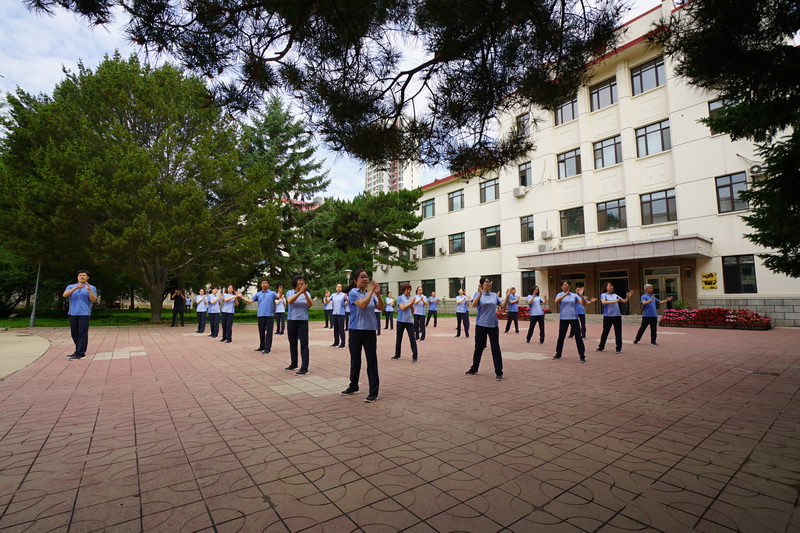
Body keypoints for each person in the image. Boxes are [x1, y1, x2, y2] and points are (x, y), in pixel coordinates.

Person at [341, 269, 384, 402]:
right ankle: (353, 386)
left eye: (367, 277)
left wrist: (378, 294)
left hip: (370, 331)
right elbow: (363, 305)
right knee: (355, 359)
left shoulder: (371, 294)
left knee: (372, 361)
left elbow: (381, 307)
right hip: (356, 330)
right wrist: (371, 291)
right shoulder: (353, 293)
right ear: (355, 281)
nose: (365, 279)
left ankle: (374, 391)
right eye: (362, 277)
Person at [465, 277, 509, 380]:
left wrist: (507, 296)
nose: (489, 283)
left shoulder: (494, 295)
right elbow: (474, 305)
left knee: (495, 348)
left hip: (493, 325)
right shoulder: (478, 294)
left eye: (490, 282)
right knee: (479, 348)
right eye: (486, 282)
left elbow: (502, 305)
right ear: (481, 284)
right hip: (481, 324)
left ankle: (499, 372)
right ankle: (474, 368)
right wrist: (480, 294)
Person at [63, 270, 97, 360]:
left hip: (84, 313)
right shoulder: (71, 286)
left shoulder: (92, 287)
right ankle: (78, 350)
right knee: (74, 333)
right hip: (72, 313)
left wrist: (89, 291)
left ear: (87, 277)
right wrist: (75, 288)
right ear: (77, 277)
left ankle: (80, 353)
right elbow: (65, 295)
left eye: (84, 275)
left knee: (82, 333)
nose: (82, 277)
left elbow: (93, 299)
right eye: (80, 275)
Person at [553, 281, 589, 362]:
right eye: (563, 285)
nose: (564, 286)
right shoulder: (559, 294)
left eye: (566, 284)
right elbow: (556, 301)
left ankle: (582, 356)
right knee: (561, 336)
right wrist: (564, 295)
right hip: (563, 318)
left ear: (569, 286)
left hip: (574, 318)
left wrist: (581, 295)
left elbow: (583, 304)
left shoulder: (574, 295)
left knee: (578, 337)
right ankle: (558, 353)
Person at [285, 274, 313, 375]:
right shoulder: (290, 292)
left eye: (303, 280)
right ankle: (294, 363)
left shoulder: (307, 293)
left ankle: (304, 367)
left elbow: (310, 304)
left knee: (304, 344)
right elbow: (290, 301)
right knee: (293, 343)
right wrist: (300, 292)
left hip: (303, 321)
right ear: (295, 282)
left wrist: (304, 293)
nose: (301, 282)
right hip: (292, 320)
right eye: (299, 280)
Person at [241, 279, 277, 354]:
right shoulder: (258, 294)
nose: (264, 284)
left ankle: (267, 348)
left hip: (269, 315)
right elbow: (250, 301)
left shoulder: (272, 293)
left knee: (269, 332)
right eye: (262, 283)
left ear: (268, 285)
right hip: (260, 315)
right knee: (261, 331)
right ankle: (262, 346)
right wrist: (241, 297)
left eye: (265, 283)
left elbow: (278, 297)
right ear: (261, 285)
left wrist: (280, 292)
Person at [596, 282, 634, 354]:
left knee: (618, 333)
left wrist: (628, 297)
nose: (611, 287)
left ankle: (618, 348)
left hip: (617, 316)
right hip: (608, 316)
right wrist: (614, 301)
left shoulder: (615, 295)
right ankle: (601, 347)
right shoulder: (603, 295)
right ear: (606, 287)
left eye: (612, 286)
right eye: (610, 286)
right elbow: (604, 302)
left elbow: (624, 301)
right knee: (605, 332)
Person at [392, 283, 418, 362]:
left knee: (412, 338)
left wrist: (412, 305)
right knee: (399, 338)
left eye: (410, 289)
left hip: (409, 321)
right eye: (407, 289)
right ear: (404, 290)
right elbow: (402, 307)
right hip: (401, 321)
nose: (409, 291)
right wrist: (410, 303)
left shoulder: (410, 299)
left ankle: (415, 356)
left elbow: (412, 311)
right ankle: (397, 354)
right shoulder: (400, 298)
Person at [330, 284, 347, 348]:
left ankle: (343, 343)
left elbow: (347, 301)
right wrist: (326, 297)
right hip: (334, 313)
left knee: (341, 329)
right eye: (337, 287)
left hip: (341, 313)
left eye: (340, 287)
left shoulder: (343, 295)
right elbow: (327, 301)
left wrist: (345, 302)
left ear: (342, 288)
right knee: (335, 329)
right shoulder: (333, 295)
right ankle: (336, 342)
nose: (338, 288)